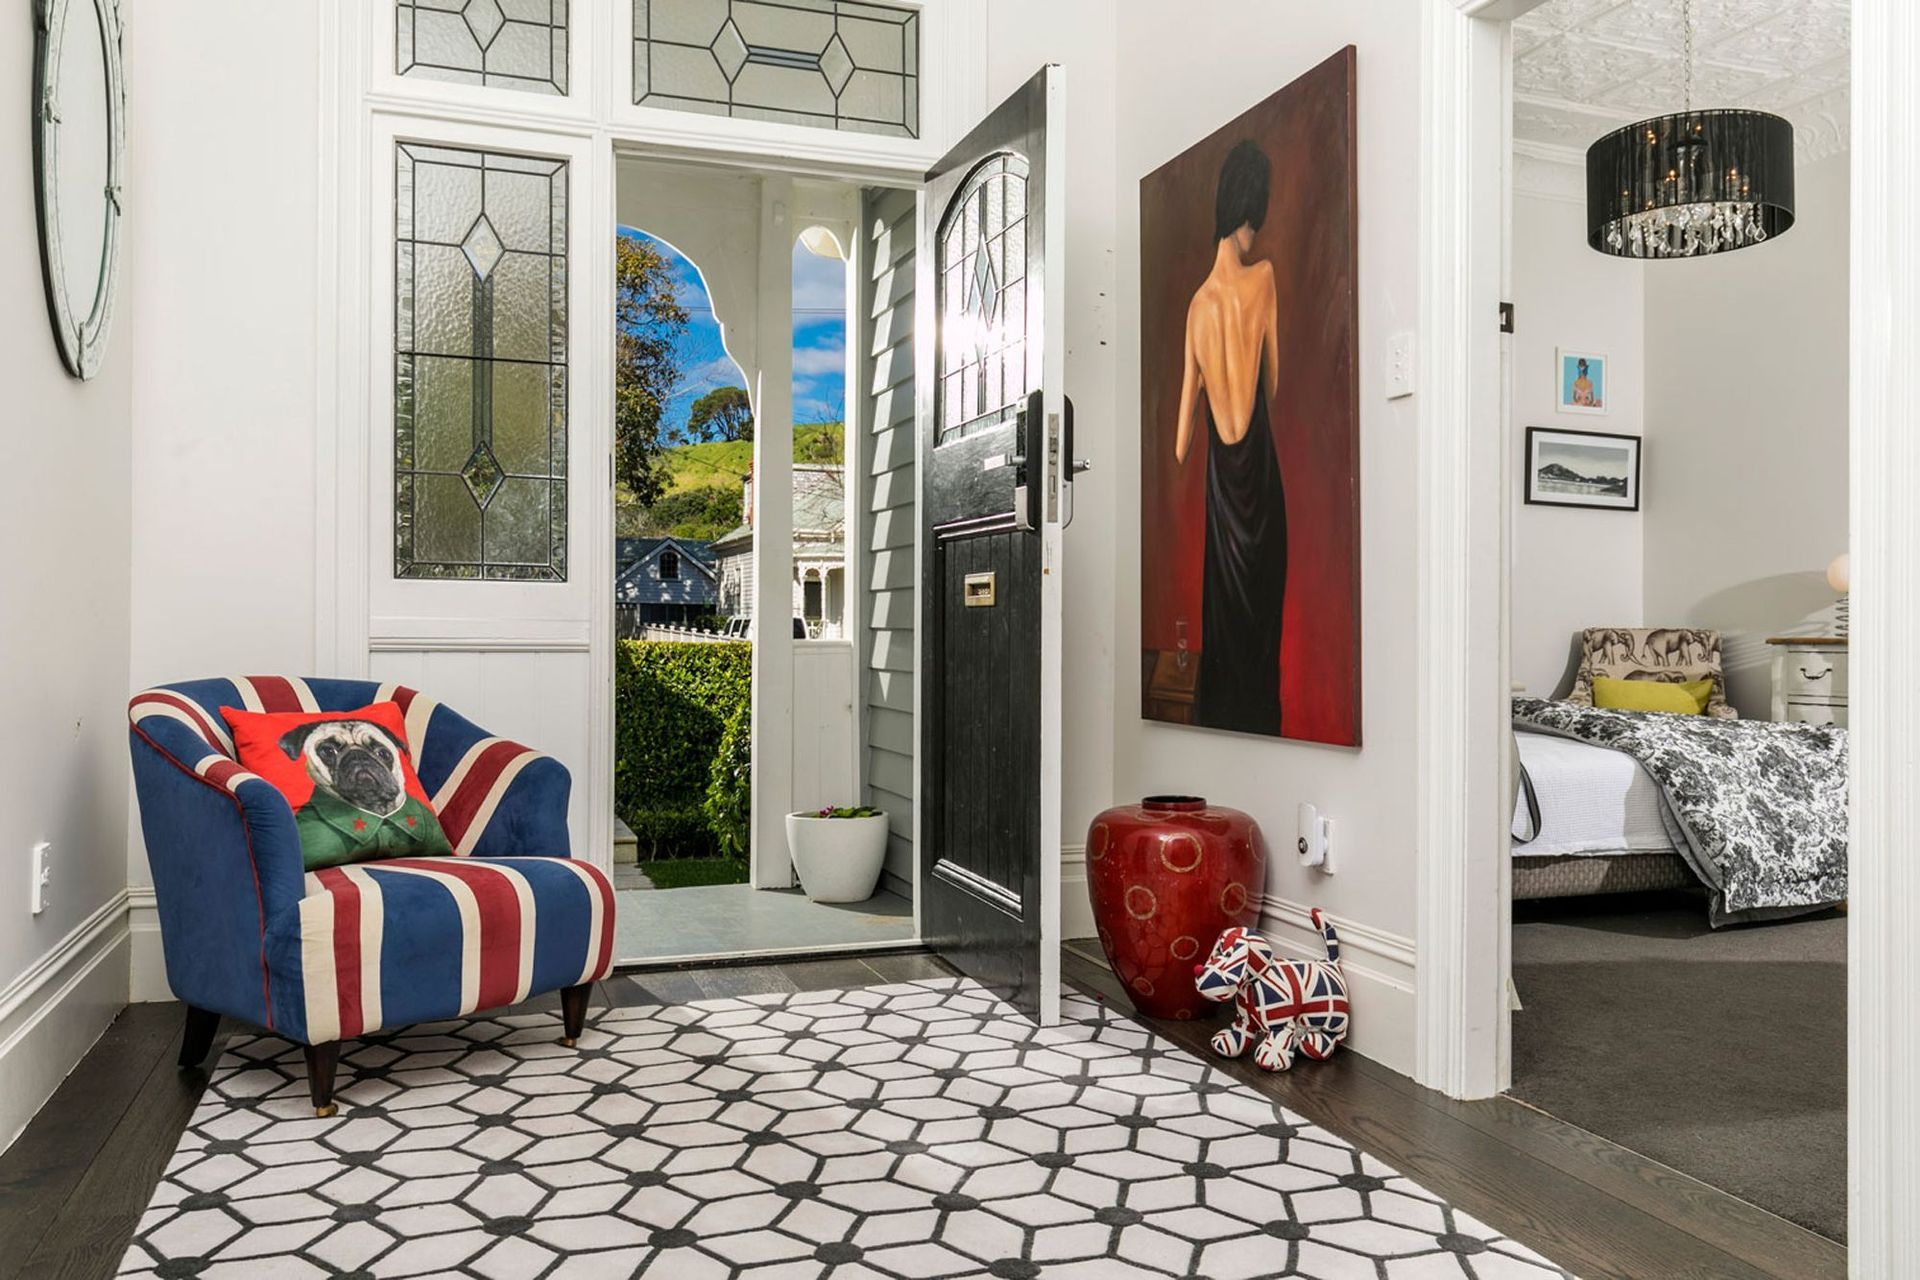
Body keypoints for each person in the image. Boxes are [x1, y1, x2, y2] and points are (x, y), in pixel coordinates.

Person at [1174, 139, 1288, 735]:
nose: (1255, 233)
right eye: (1255, 220)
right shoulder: (1264, 278)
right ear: (1247, 210)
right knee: (1263, 628)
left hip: (1222, 489)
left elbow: (1179, 444)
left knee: (1225, 627)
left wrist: (1206, 381)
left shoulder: (1196, 308)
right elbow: (1274, 380)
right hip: (1259, 480)